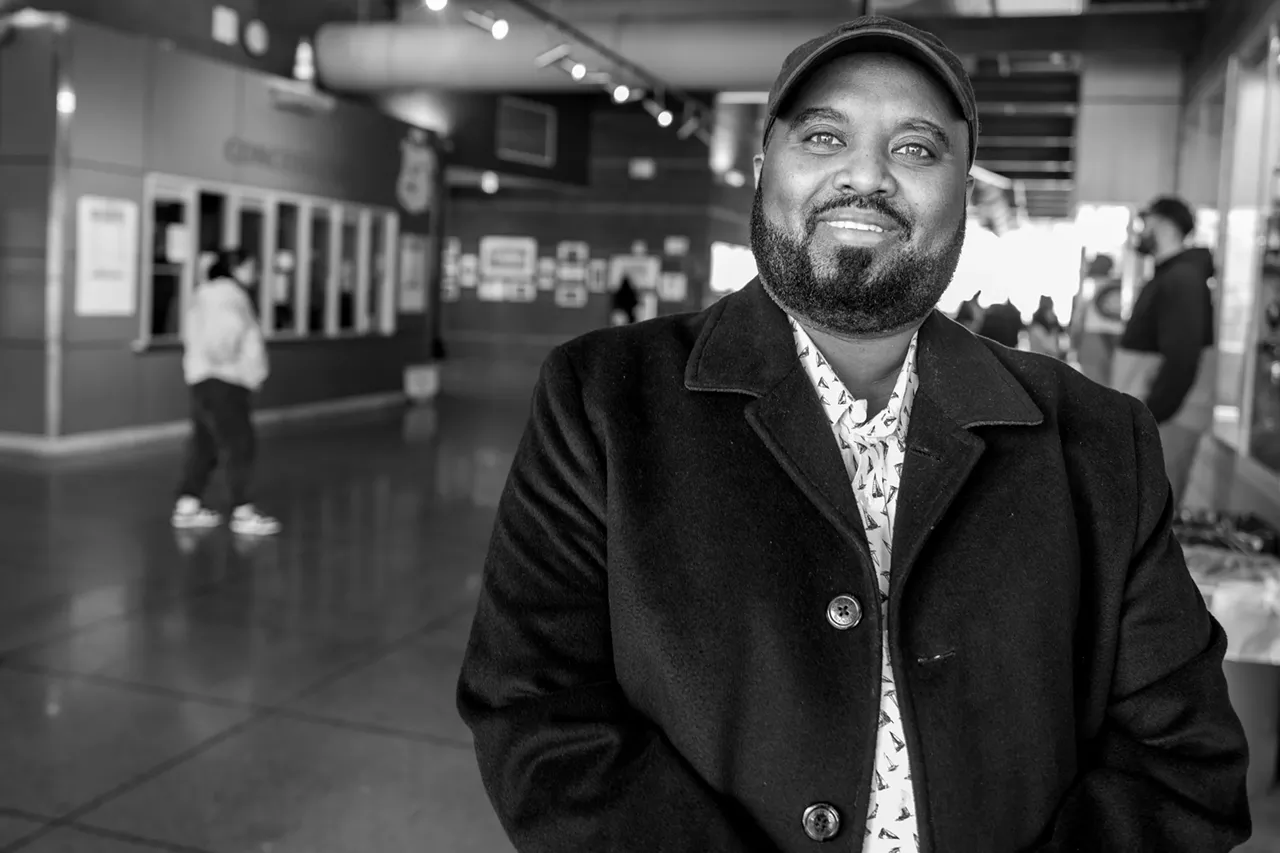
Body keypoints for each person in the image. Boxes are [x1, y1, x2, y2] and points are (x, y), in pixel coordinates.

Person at [457, 16, 1248, 853]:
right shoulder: (604, 401)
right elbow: (536, 710)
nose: (866, 174)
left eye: (916, 148)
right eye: (824, 136)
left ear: (964, 194)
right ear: (762, 170)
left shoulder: (1096, 439)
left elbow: (1183, 762)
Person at [1113, 196, 1217, 509]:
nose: (1141, 231)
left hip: (1168, 420)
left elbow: (1182, 358)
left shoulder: (1181, 278)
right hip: (1159, 417)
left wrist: (1152, 414)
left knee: (1153, 510)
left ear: (1167, 227)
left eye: (1147, 223)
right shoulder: (1171, 275)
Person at [172, 248, 281, 536]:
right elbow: (224, 336)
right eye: (251, 267)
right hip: (226, 380)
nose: (256, 274)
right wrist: (238, 365)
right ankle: (243, 511)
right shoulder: (229, 295)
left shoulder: (205, 294)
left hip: (202, 379)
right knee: (240, 444)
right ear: (236, 269)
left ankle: (187, 505)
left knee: (205, 444)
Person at [1070, 254, 1125, 385]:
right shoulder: (1120, 285)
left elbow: (1078, 319)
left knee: (1094, 384)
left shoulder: (1088, 285)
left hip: (1092, 336)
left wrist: (1074, 344)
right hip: (1117, 336)